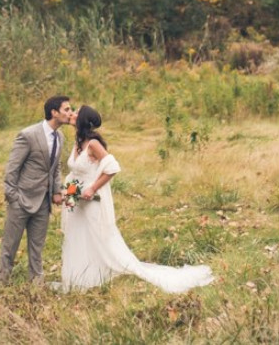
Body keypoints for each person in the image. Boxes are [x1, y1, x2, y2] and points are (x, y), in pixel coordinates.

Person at [61, 105, 214, 292]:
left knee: (99, 236)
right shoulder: (78, 143)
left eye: (76, 113)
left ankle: (106, 270)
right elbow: (76, 172)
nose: (72, 115)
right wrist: (69, 192)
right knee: (79, 234)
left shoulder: (93, 144)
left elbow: (112, 167)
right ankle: (81, 276)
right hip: (77, 199)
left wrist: (92, 188)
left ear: (83, 119)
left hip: (92, 200)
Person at [0, 95, 73, 284]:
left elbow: (55, 167)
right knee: (10, 246)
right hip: (21, 199)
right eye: (66, 109)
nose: (70, 113)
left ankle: (36, 286)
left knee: (37, 247)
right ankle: (1, 282)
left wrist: (56, 190)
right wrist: (13, 196)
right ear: (54, 112)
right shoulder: (28, 135)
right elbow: (12, 169)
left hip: (43, 201)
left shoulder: (60, 137)